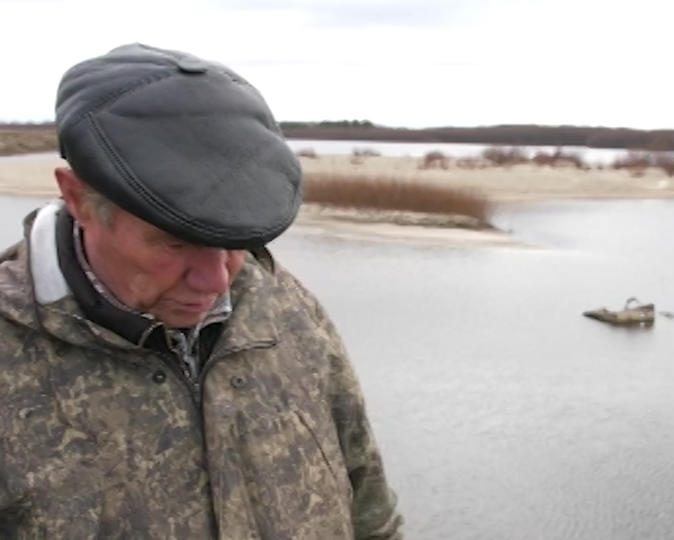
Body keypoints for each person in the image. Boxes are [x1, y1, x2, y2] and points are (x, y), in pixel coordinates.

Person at [0, 44, 403, 538]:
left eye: (237, 242)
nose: (217, 283)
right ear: (78, 199)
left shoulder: (285, 308)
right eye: (176, 243)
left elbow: (370, 509)